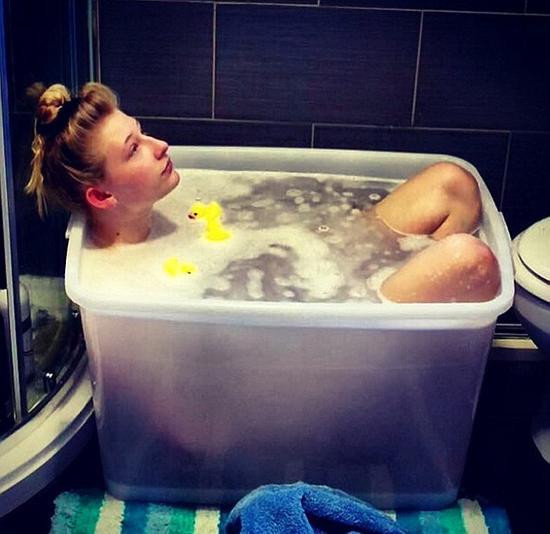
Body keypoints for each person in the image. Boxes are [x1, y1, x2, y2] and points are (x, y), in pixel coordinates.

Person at [26, 82, 500, 303]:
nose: (160, 145)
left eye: (142, 131)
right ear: (102, 198)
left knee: (454, 183)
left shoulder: (161, 210)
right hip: (328, 336)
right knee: (471, 261)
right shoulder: (120, 288)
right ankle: (407, 341)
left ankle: (420, 302)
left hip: (324, 264)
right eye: (134, 149)